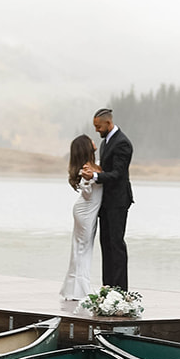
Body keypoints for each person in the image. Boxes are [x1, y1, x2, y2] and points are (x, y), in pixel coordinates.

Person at [84, 108, 133, 291]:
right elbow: (105, 170)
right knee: (105, 243)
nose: (96, 130)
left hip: (118, 201)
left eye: (98, 126)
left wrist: (95, 177)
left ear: (108, 123)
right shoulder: (106, 142)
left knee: (116, 243)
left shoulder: (123, 143)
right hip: (105, 202)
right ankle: (108, 286)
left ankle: (121, 288)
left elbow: (117, 174)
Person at [60, 133, 102, 302]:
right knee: (82, 249)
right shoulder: (86, 169)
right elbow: (88, 192)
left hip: (87, 211)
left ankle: (73, 289)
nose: (94, 141)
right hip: (85, 212)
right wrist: (87, 179)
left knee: (82, 249)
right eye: (90, 140)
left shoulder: (95, 166)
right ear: (86, 146)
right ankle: (79, 291)